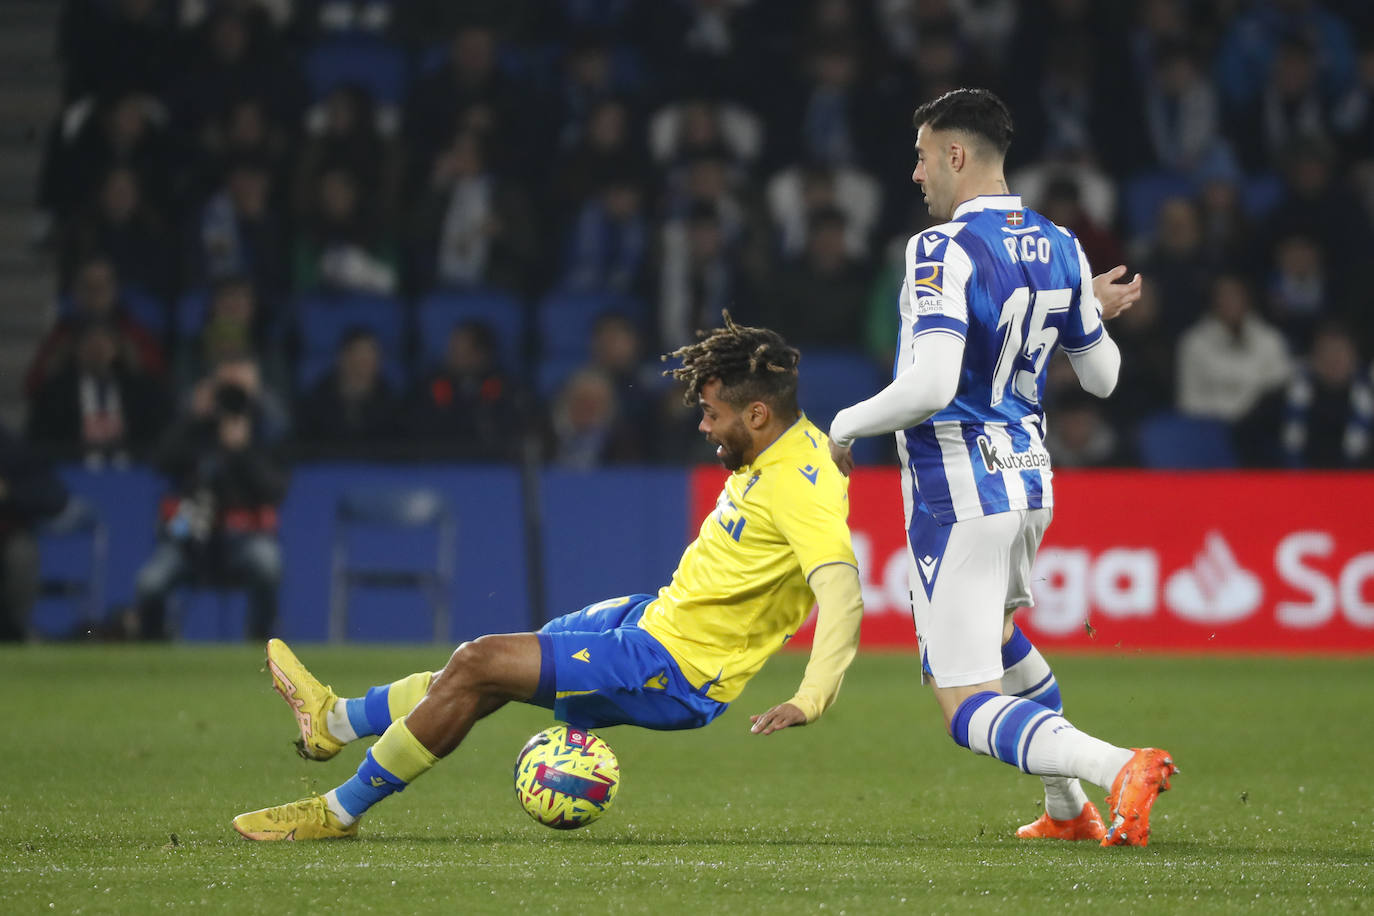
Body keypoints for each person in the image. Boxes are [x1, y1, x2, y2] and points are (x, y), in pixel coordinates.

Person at [232, 315, 867, 840]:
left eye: (711, 413)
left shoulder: (796, 488)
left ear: (756, 415)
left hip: (673, 669)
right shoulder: (797, 446)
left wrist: (810, 696)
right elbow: (834, 450)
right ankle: (334, 722)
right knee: (479, 669)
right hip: (652, 622)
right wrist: (845, 441)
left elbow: (841, 592)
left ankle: (336, 811)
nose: (704, 426)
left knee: (482, 663)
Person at [825, 89, 1175, 848]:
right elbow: (1105, 378)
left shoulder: (938, 249)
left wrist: (844, 424)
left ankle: (1119, 766)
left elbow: (933, 383)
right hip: (1029, 482)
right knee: (1004, 640)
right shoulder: (1061, 245)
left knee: (965, 704)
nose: (915, 174)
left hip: (959, 490)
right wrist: (1082, 307)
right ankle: (1065, 810)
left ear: (956, 154)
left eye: (922, 156)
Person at [133, 379, 286, 640]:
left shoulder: (258, 443)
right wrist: (192, 418)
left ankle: (262, 641)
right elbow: (161, 460)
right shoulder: (197, 436)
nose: (229, 418)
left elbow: (274, 490)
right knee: (149, 583)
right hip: (188, 541)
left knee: (268, 562)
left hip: (241, 542)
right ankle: (154, 644)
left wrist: (242, 451)